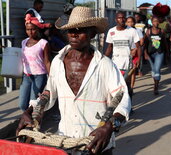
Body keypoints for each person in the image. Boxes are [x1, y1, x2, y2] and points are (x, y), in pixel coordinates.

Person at [17, 7, 130, 155]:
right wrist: (30, 112)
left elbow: (122, 98)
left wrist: (110, 126)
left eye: (80, 30)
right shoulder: (58, 62)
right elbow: (49, 93)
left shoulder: (104, 65)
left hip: (97, 144)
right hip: (66, 141)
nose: (74, 34)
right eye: (70, 30)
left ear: (92, 33)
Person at [105, 11, 141, 99]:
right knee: (116, 86)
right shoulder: (111, 31)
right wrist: (104, 59)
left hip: (128, 63)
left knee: (127, 85)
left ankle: (129, 106)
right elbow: (109, 47)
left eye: (123, 17)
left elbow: (139, 47)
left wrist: (138, 60)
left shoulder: (132, 31)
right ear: (116, 19)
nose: (121, 20)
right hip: (115, 63)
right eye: (119, 18)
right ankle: (118, 106)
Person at [19, 21, 51, 111]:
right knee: (22, 104)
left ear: (38, 29)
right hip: (26, 76)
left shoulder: (43, 43)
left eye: (33, 29)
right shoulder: (23, 42)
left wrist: (52, 77)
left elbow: (47, 61)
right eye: (28, 29)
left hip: (39, 76)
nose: (30, 32)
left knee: (33, 103)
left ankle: (34, 122)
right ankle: (28, 119)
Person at [144, 16, 168, 95]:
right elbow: (145, 43)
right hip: (150, 54)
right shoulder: (148, 31)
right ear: (152, 22)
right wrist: (145, 53)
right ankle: (156, 82)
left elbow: (164, 42)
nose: (156, 23)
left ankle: (156, 86)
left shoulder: (161, 31)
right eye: (154, 21)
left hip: (159, 53)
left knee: (157, 69)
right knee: (153, 70)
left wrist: (167, 53)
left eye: (157, 21)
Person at [125, 16, 144, 89]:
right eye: (128, 22)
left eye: (131, 22)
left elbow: (141, 42)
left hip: (135, 52)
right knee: (126, 70)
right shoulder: (124, 30)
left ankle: (131, 87)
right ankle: (126, 85)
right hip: (126, 53)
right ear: (126, 22)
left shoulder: (137, 31)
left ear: (134, 23)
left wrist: (135, 49)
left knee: (132, 70)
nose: (130, 23)